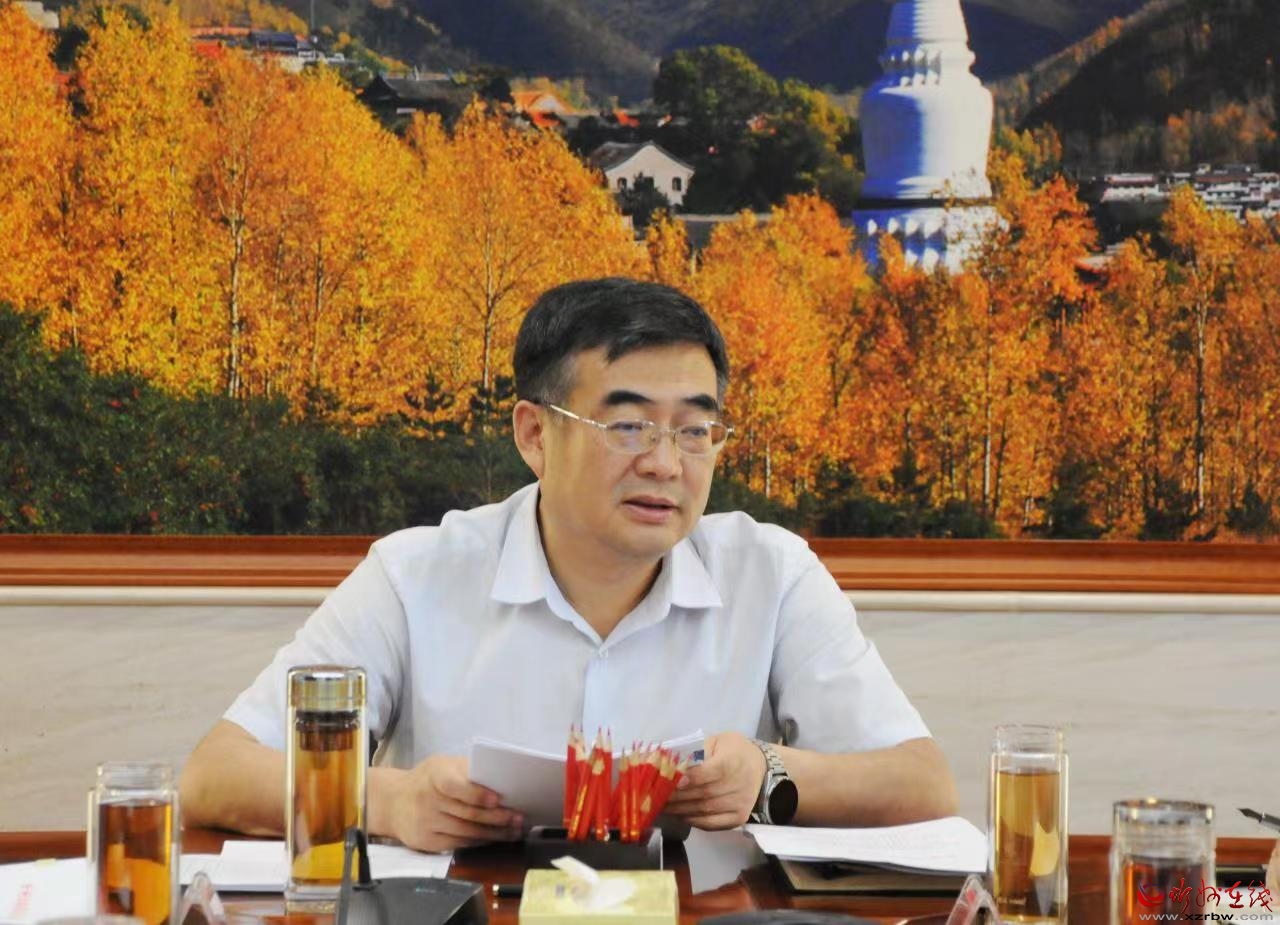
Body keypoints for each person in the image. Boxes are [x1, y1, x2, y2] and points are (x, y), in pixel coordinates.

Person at [179, 277, 957, 851]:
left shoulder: (771, 573)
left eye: (695, 431)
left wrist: (769, 774)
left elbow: (923, 782)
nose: (666, 463)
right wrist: (392, 800)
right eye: (628, 426)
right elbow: (214, 774)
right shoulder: (414, 575)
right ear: (533, 434)